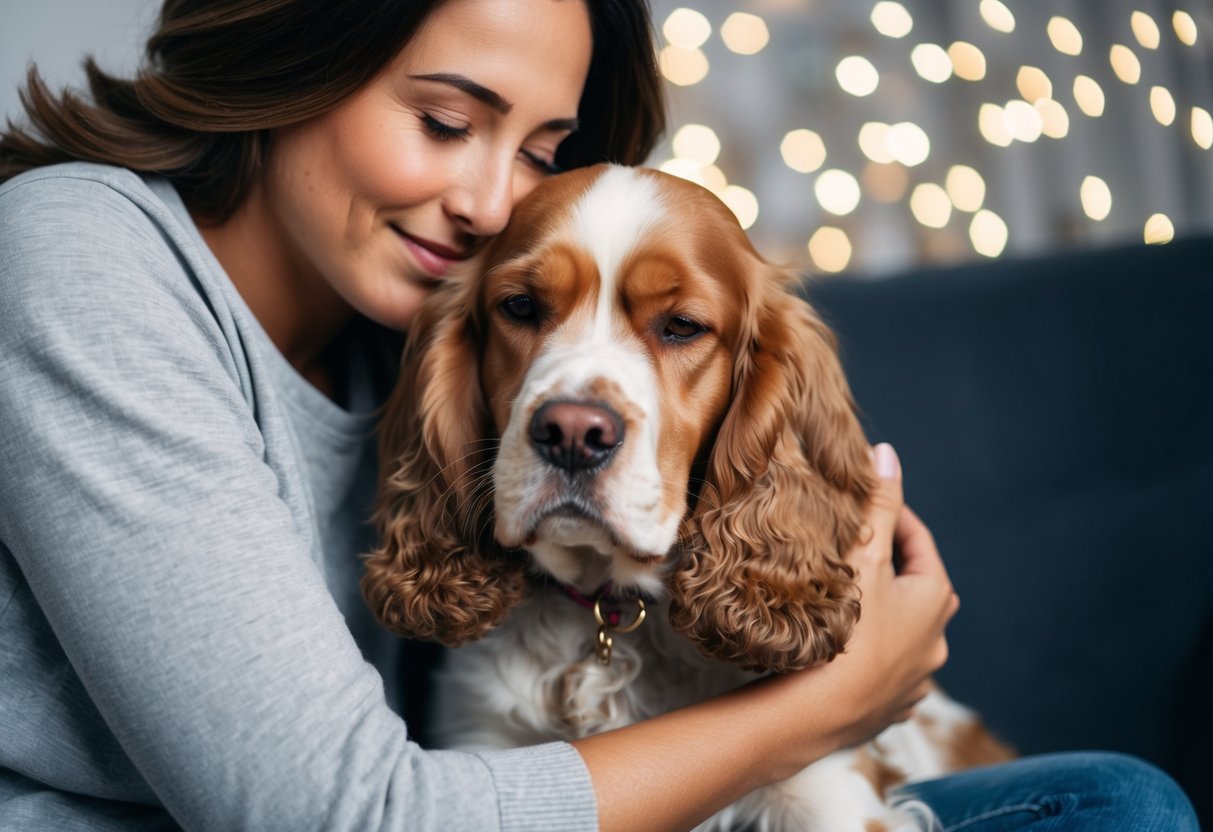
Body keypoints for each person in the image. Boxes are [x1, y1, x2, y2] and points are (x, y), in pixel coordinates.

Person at [0, 1, 1198, 830]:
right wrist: (827, 702)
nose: (486, 202)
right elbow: (333, 811)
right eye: (443, 120)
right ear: (295, 53)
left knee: (1119, 802)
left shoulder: (422, 321)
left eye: (539, 149)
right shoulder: (76, 253)